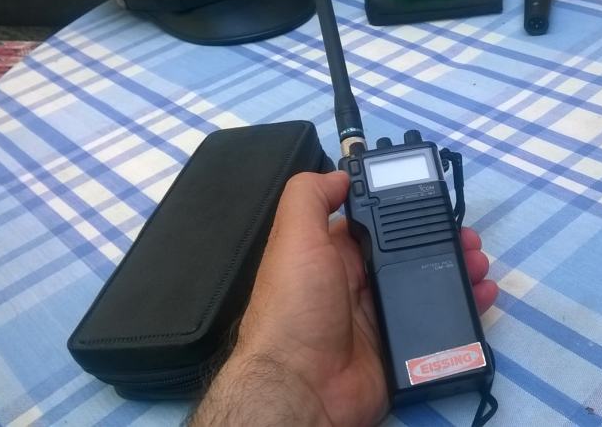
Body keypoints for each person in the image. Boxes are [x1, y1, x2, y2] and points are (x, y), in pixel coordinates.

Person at [191, 171, 499, 426]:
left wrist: (287, 379)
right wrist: (289, 372)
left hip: (432, 258)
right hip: (392, 288)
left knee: (464, 259)